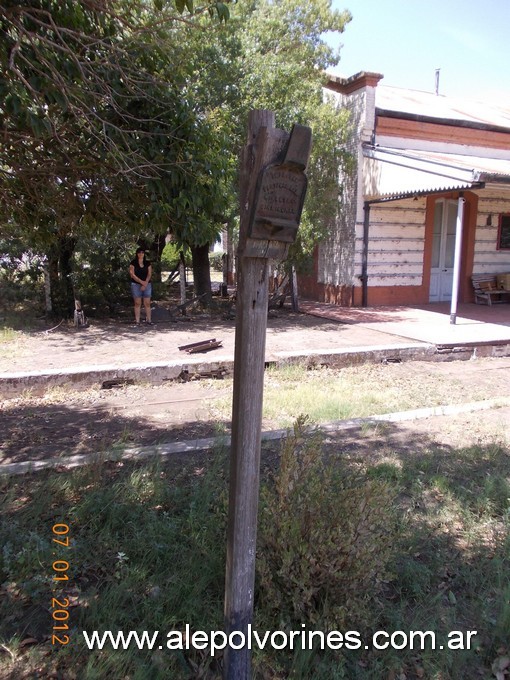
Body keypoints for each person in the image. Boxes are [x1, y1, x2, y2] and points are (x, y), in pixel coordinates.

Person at [129, 247, 153, 325]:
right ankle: (137, 321)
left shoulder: (147, 263)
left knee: (147, 303)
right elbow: (132, 274)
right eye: (139, 252)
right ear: (137, 253)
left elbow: (149, 274)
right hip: (136, 285)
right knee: (137, 303)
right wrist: (141, 282)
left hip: (147, 284)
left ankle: (149, 320)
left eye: (142, 252)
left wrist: (145, 283)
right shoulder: (133, 263)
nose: (141, 254)